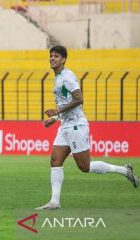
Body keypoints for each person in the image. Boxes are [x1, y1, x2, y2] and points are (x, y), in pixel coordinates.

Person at [36, 45, 139, 210]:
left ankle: (124, 171)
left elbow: (79, 99)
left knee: (85, 167)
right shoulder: (58, 77)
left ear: (63, 59)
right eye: (51, 55)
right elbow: (65, 102)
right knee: (55, 160)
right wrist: (55, 118)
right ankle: (54, 202)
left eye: (56, 56)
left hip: (77, 125)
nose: (52, 58)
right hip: (65, 126)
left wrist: (57, 111)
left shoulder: (67, 76)